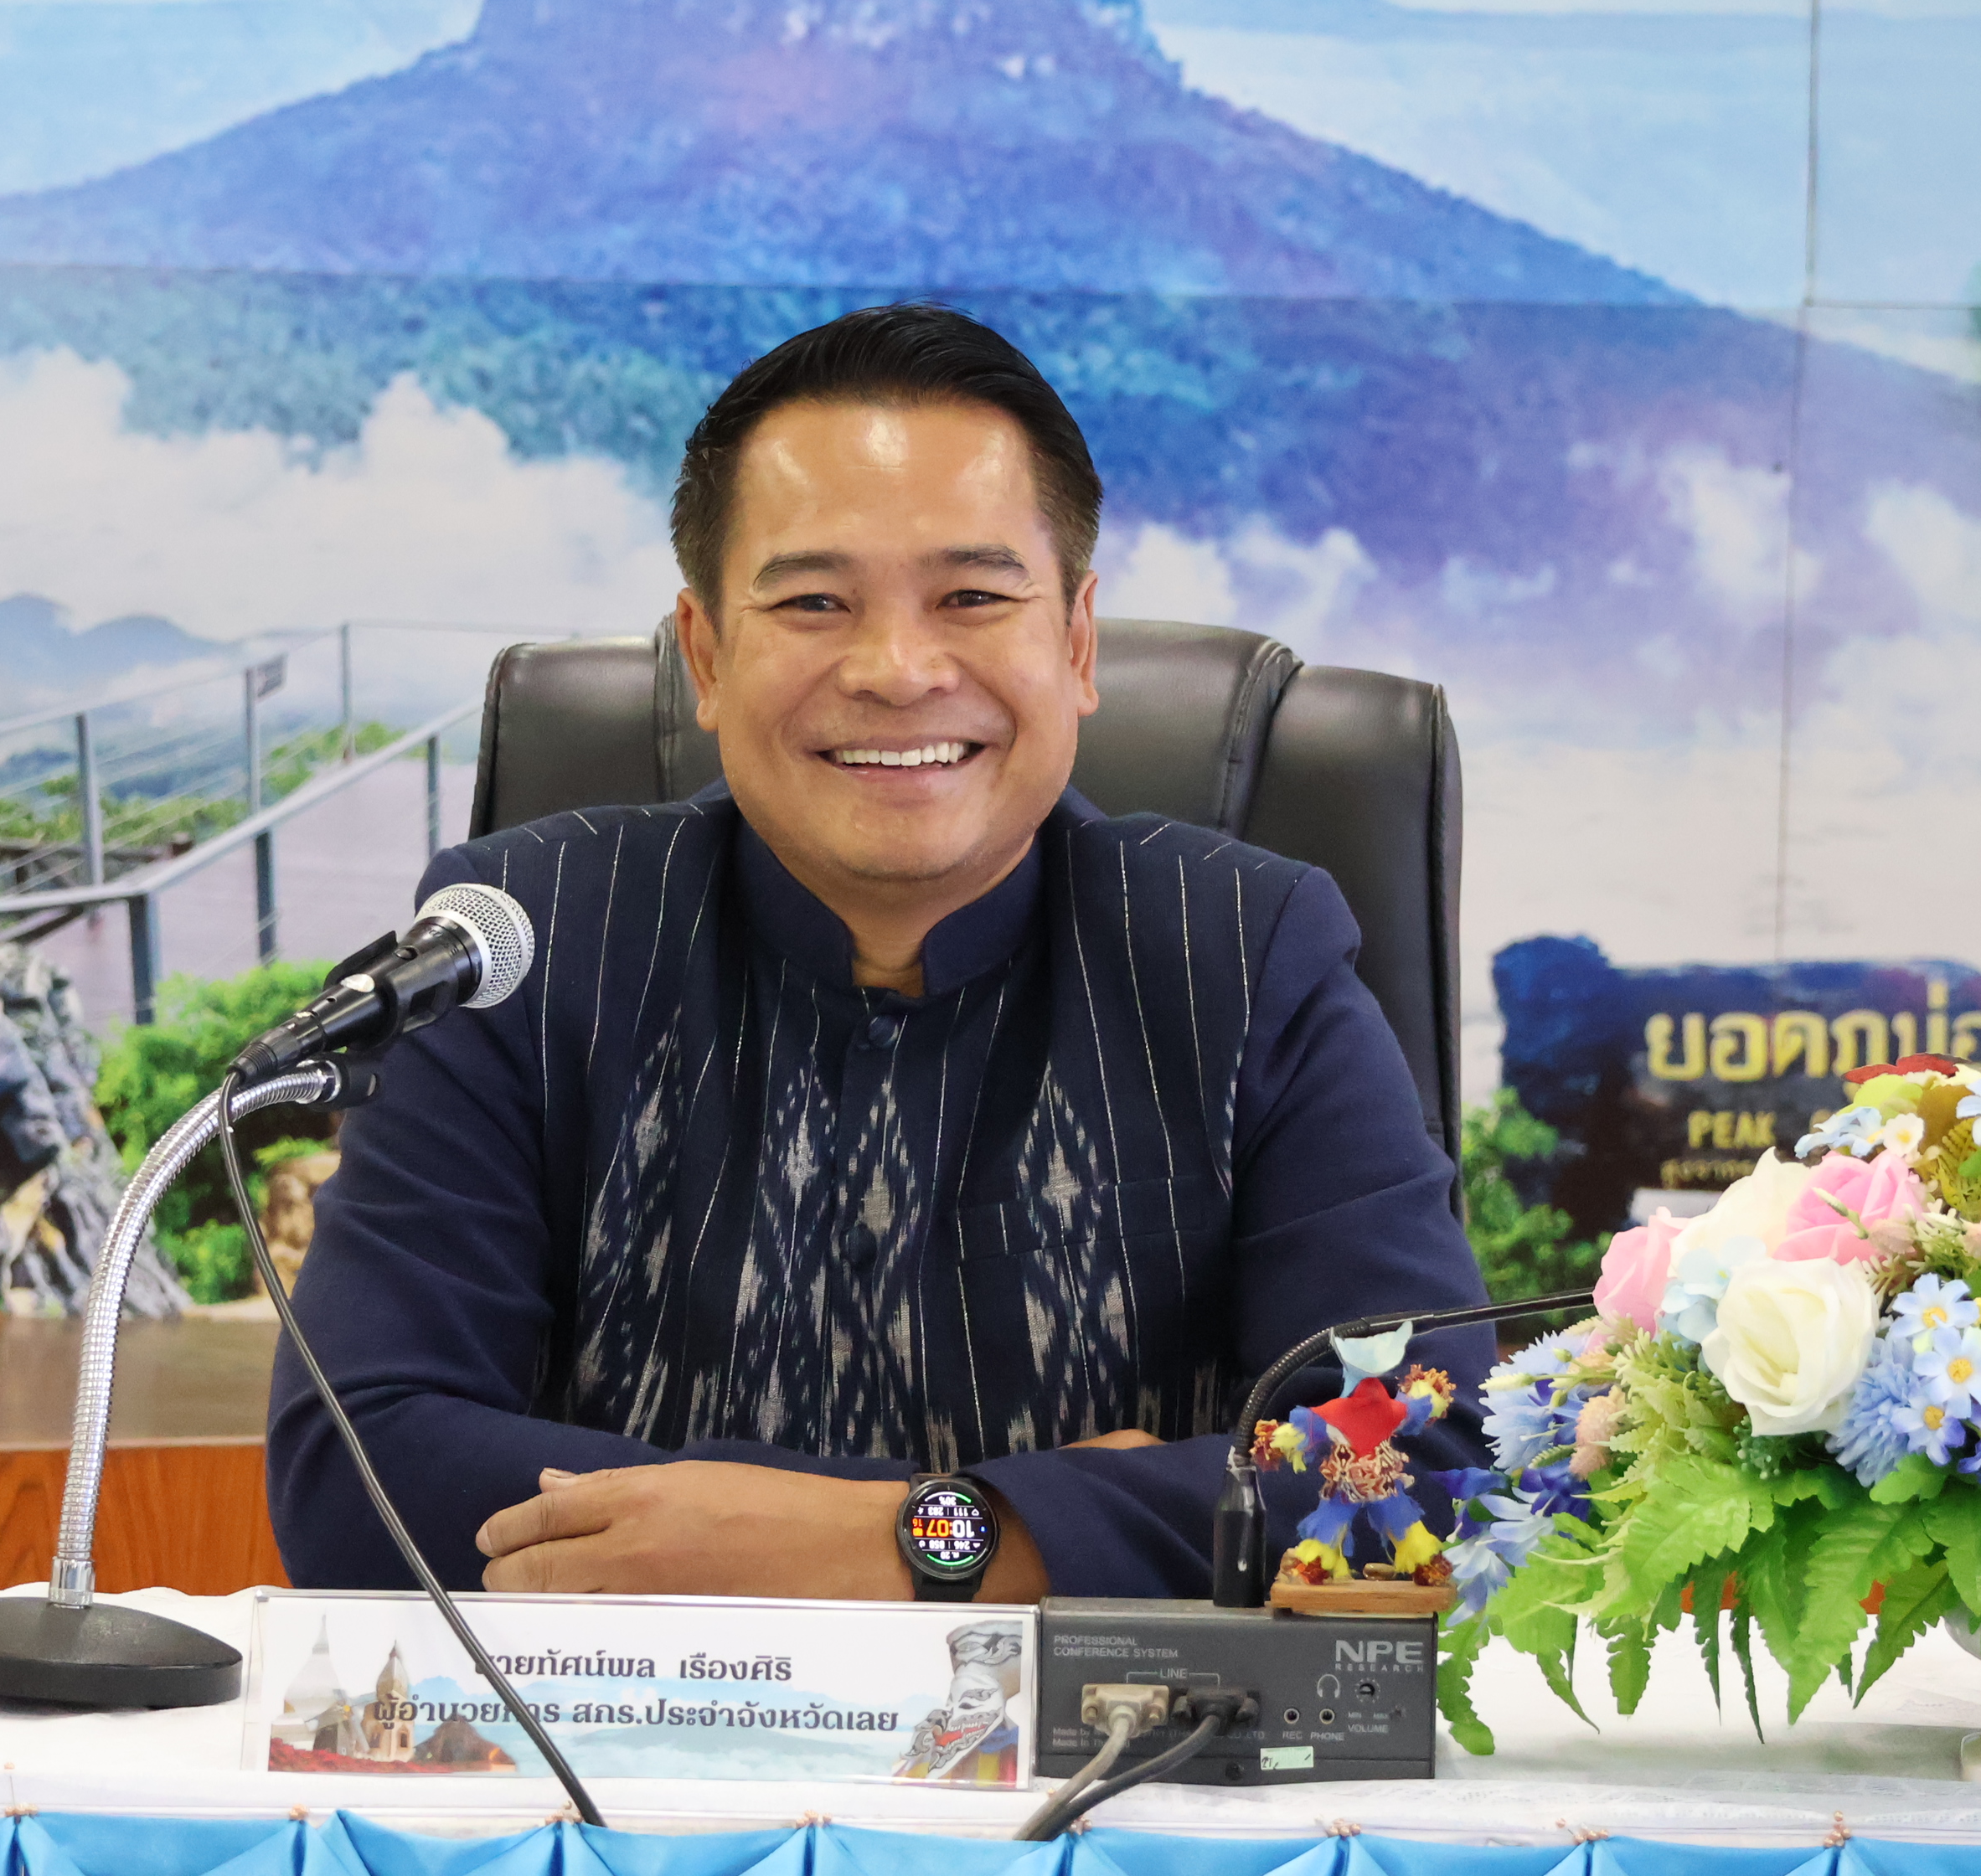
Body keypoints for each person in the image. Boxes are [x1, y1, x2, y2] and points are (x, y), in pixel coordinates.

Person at [266, 303, 1493, 1603]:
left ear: (1076, 643)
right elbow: (355, 1469)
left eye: (973, 597)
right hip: (634, 1727)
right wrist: (1010, 1522)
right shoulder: (522, 938)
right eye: (813, 601)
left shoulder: (1246, 951)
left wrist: (914, 1539)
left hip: (1113, 1729)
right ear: (706, 655)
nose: (898, 670)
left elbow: (1428, 1456)